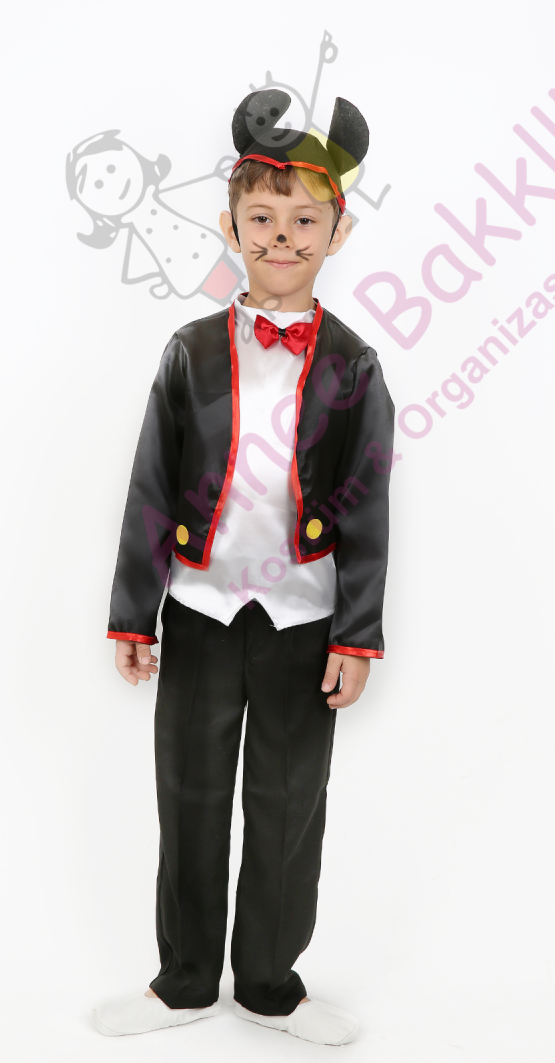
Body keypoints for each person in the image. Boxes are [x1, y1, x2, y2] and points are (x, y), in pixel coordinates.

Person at [93, 90, 395, 1047]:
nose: (281, 237)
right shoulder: (188, 352)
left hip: (305, 620)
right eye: (262, 218)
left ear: (339, 232)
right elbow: (150, 487)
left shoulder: (355, 365)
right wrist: (134, 614)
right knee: (188, 796)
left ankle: (269, 984)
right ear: (230, 227)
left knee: (288, 802)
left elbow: (366, 507)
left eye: (304, 220)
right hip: (198, 611)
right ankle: (184, 979)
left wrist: (356, 634)